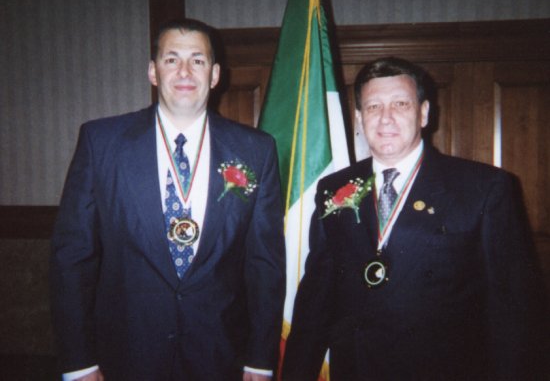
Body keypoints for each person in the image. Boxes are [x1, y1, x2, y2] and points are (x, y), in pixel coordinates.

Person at [281, 57, 546, 380]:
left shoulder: (483, 188)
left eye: (400, 104)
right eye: (374, 106)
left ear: (424, 113)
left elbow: (513, 309)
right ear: (359, 118)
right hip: (357, 369)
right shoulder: (333, 188)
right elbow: (316, 297)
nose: (386, 118)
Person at [50, 19, 286, 381]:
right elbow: (72, 258)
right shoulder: (101, 142)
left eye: (198, 60)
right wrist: (78, 361)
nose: (185, 71)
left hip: (220, 355)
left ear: (215, 74)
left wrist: (259, 358)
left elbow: (265, 264)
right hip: (125, 356)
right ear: (153, 71)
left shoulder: (256, 150)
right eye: (172, 59)